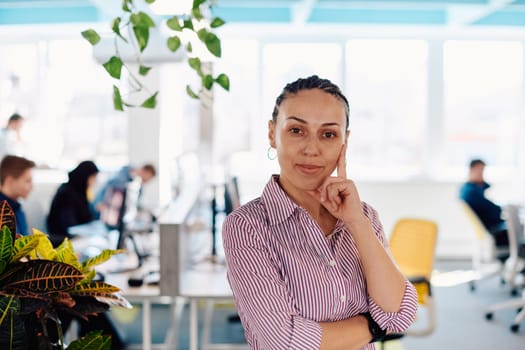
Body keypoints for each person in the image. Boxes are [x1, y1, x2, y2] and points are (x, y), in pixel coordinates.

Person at [222, 75, 418, 349]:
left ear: (344, 142)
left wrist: (356, 223)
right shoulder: (247, 227)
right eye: (296, 130)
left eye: (328, 134)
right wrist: (374, 325)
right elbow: (284, 341)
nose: (311, 149)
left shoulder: (364, 216)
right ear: (272, 134)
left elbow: (400, 313)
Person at [46, 160, 99, 247]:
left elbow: (88, 216)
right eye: (93, 178)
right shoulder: (66, 193)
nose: (94, 182)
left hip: (75, 236)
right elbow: (69, 226)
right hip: (63, 238)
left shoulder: (80, 191)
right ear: (85, 176)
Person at [459, 158, 508, 248]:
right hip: (494, 230)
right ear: (471, 170)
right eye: (480, 170)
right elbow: (495, 211)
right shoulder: (471, 192)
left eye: (483, 171)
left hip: (493, 226)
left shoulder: (469, 189)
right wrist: (507, 208)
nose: (482, 174)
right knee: (517, 228)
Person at [92, 163, 156, 218]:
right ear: (144, 171)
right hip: (102, 209)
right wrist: (99, 203)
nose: (146, 182)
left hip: (119, 216)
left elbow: (137, 203)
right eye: (146, 179)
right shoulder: (124, 174)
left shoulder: (138, 185)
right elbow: (109, 188)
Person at [0, 155, 35, 235]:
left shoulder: (17, 208)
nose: (32, 187)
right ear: (10, 181)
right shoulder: (3, 212)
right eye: (27, 181)